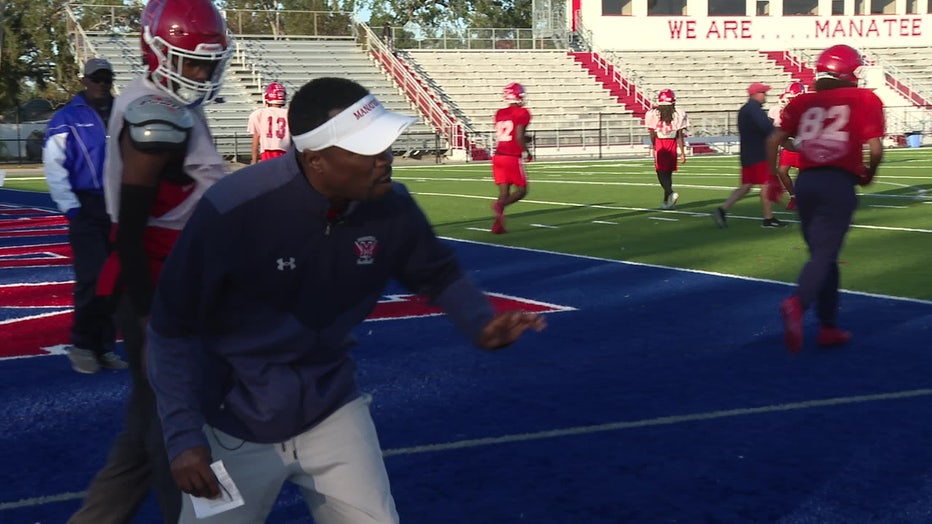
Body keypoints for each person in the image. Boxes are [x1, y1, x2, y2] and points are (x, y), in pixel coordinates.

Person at [145, 76, 547, 523]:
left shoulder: (391, 206)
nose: (385, 160)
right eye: (368, 149)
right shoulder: (233, 209)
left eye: (385, 145)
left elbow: (438, 272)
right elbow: (170, 328)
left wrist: (479, 321)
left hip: (330, 408)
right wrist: (183, 436)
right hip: (231, 421)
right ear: (315, 159)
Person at [68, 0, 232, 522]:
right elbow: (133, 230)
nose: (203, 73)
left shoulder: (167, 101)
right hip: (161, 287)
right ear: (156, 52)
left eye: (209, 62)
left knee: (146, 430)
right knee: (176, 431)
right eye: (192, 61)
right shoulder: (153, 112)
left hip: (173, 282)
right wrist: (147, 317)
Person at [768, 44, 884, 353]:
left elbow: (774, 140)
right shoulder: (864, 98)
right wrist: (869, 174)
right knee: (825, 253)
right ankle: (798, 303)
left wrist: (772, 179)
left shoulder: (802, 102)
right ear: (848, 72)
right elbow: (875, 149)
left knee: (824, 253)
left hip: (806, 183)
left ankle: (828, 326)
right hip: (837, 182)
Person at [42, 58, 127, 374]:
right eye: (96, 78)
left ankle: (103, 347)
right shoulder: (66, 117)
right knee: (92, 277)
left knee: (115, 280)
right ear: (85, 80)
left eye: (106, 79)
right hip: (86, 205)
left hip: (118, 205)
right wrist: (70, 207)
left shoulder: (123, 114)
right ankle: (81, 345)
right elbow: (54, 164)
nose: (101, 84)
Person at [712, 82, 787, 228]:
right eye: (763, 93)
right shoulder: (755, 110)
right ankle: (768, 218)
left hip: (747, 153)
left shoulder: (744, 110)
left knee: (746, 186)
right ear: (756, 94)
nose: (765, 95)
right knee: (766, 184)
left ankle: (722, 209)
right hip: (758, 153)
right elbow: (768, 129)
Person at [491, 82, 532, 234]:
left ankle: (498, 226)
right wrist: (527, 152)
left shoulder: (500, 113)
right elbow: (519, 135)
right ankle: (500, 206)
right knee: (522, 191)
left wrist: (523, 139)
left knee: (503, 193)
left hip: (498, 156)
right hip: (511, 157)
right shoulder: (522, 112)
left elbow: (510, 134)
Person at [767, 81, 807, 210]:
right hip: (788, 143)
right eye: (788, 97)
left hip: (803, 144)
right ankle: (794, 196)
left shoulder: (805, 109)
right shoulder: (777, 110)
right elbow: (771, 127)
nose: (789, 100)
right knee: (782, 171)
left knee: (804, 175)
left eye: (792, 97)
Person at [645, 88, 688, 209]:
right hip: (672, 144)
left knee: (660, 172)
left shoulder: (653, 113)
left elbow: (652, 132)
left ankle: (670, 193)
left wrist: (654, 146)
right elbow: (680, 135)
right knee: (668, 174)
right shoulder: (678, 114)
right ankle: (666, 201)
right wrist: (683, 153)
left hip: (660, 143)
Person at [247, 81, 291, 164]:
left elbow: (255, 145)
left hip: (267, 153)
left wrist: (254, 162)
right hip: (285, 153)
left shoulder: (259, 114)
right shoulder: (289, 114)